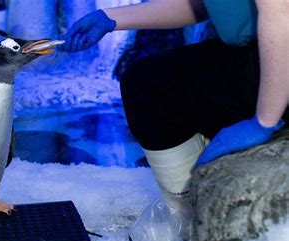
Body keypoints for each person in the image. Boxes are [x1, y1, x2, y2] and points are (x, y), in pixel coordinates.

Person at [60, 0, 288, 223]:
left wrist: (264, 120)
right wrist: (110, 18)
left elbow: (279, 12)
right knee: (145, 83)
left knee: (150, 88)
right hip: (256, 51)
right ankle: (183, 212)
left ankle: (186, 220)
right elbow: (199, 5)